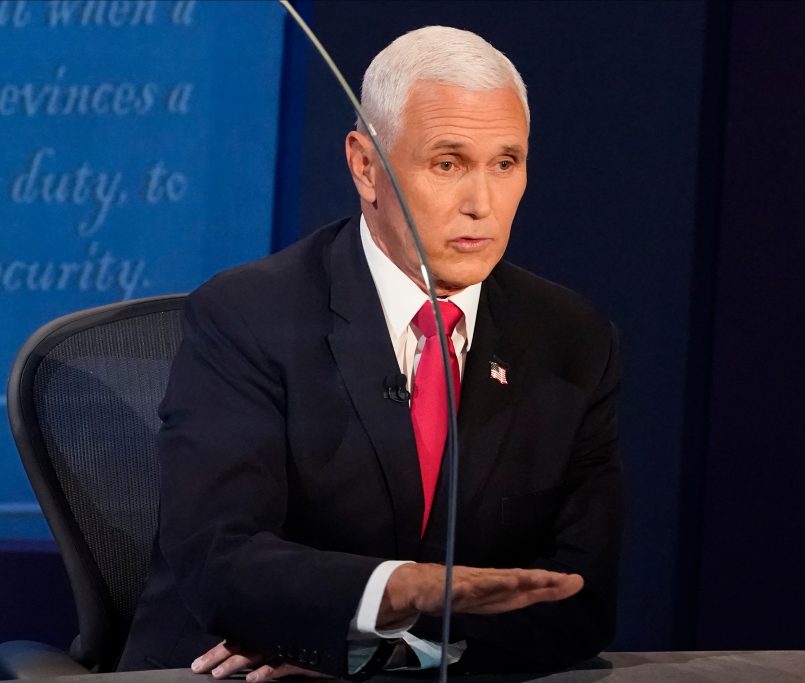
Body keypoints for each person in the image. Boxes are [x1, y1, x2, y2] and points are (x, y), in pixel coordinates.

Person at [119, 26, 622, 680]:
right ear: (365, 165)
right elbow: (220, 559)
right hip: (228, 671)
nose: (482, 204)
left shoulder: (572, 338)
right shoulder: (249, 315)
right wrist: (397, 589)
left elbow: (578, 599)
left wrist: (381, 658)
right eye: (448, 162)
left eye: (505, 163)